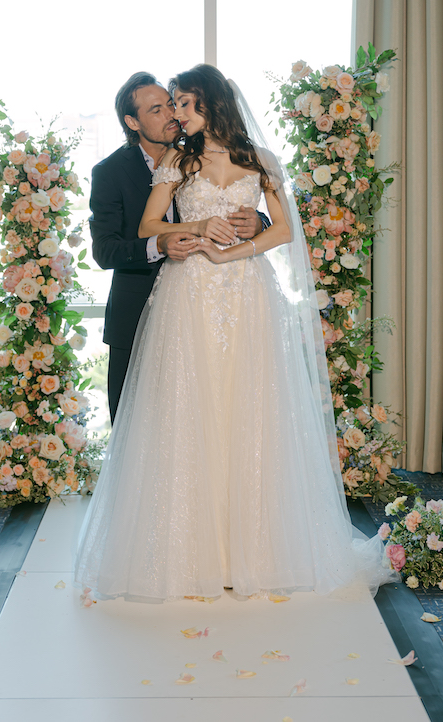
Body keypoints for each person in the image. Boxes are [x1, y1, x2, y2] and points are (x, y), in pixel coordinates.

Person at [75, 65, 397, 602]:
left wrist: (242, 246)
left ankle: (255, 550)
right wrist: (199, 230)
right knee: (188, 413)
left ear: (211, 102)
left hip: (247, 296)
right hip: (189, 296)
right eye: (168, 106)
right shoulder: (180, 160)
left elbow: (285, 229)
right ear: (135, 121)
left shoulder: (260, 160)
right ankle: (188, 550)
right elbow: (146, 229)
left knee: (249, 411)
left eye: (182, 103)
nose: (176, 113)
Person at [90, 71, 265, 422]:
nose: (171, 114)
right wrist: (160, 243)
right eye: (156, 109)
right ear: (132, 121)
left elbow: (233, 199)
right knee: (135, 431)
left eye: (172, 104)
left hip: (206, 308)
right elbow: (106, 250)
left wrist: (260, 223)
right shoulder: (109, 172)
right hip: (137, 311)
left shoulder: (204, 152)